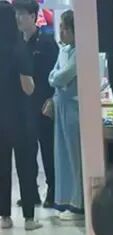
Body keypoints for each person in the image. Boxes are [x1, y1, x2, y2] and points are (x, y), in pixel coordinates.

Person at [0, 0, 42, 231]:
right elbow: (28, 88)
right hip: (21, 117)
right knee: (25, 166)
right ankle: (29, 218)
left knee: (2, 168)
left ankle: (5, 217)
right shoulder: (19, 48)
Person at [15, 0, 58, 208]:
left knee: (48, 149)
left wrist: (52, 99)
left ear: (33, 16)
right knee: (26, 151)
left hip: (43, 104)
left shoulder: (46, 43)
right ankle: (31, 193)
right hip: (22, 107)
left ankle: (53, 191)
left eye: (22, 14)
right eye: (16, 14)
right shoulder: (15, 43)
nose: (18, 18)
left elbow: (54, 74)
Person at [49, 10, 83, 222]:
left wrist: (56, 79)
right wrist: (56, 79)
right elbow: (52, 75)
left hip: (73, 108)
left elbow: (61, 76)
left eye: (65, 28)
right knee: (62, 155)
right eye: (60, 27)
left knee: (74, 156)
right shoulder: (64, 50)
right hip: (60, 105)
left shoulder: (81, 52)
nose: (61, 31)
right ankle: (66, 200)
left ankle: (78, 204)